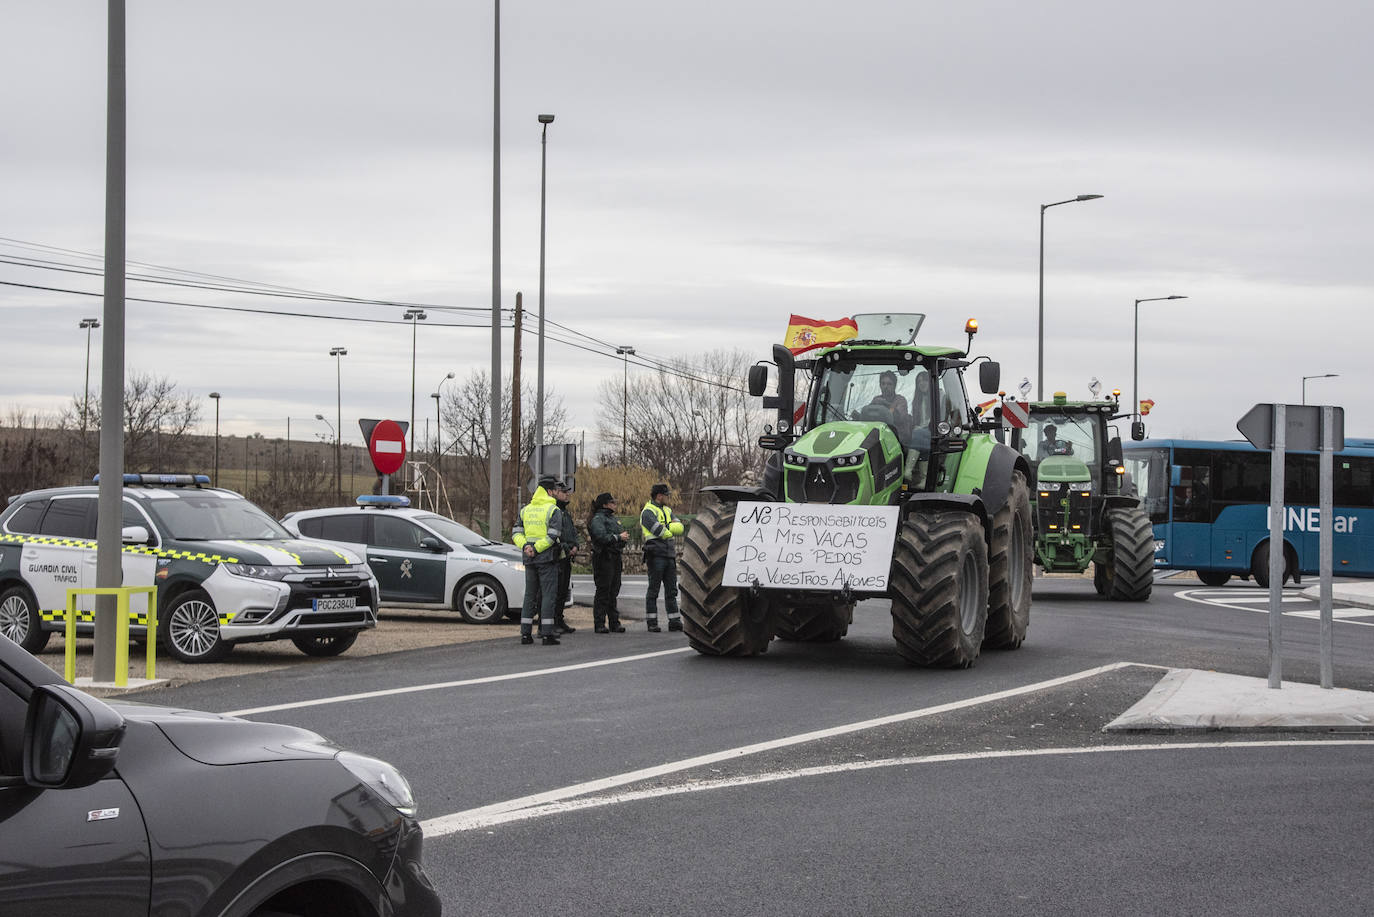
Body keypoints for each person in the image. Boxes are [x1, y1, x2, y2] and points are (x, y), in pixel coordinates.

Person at [512, 476, 565, 646]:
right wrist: (537, 549)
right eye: (556, 490)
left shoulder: (525, 509)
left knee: (530, 595)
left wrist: (527, 547)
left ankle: (525, 634)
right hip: (547, 558)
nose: (557, 493)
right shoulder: (553, 510)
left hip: (529, 558)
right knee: (548, 595)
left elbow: (516, 533)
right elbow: (553, 535)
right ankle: (547, 634)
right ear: (550, 491)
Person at [640, 482, 685, 632]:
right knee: (653, 590)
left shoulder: (667, 510)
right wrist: (669, 528)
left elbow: (680, 527)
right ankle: (652, 622)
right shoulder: (647, 512)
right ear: (659, 496)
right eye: (666, 495)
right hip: (656, 555)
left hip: (669, 555)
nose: (668, 498)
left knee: (671, 590)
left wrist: (668, 528)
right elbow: (660, 531)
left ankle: (674, 621)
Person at [587, 492, 629, 633]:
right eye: (612, 502)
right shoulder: (598, 519)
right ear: (605, 504)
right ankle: (599, 623)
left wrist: (621, 540)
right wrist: (618, 537)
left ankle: (614, 622)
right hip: (604, 557)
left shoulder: (612, 518)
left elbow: (618, 535)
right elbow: (601, 536)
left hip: (614, 557)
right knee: (603, 590)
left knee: (613, 590)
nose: (615, 505)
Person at [551, 481, 579, 635]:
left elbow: (572, 532)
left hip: (566, 556)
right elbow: (557, 534)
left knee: (562, 591)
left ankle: (560, 620)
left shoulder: (565, 512)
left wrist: (575, 545)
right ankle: (553, 622)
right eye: (563, 492)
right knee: (556, 591)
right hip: (558, 556)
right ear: (555, 493)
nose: (567, 494)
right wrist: (568, 549)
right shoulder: (554, 510)